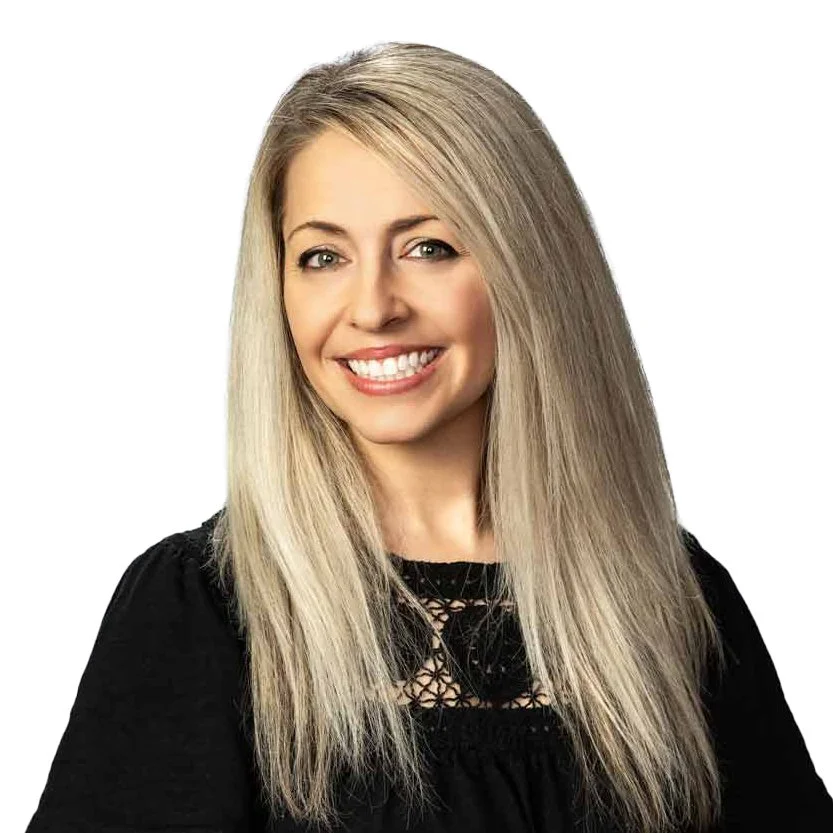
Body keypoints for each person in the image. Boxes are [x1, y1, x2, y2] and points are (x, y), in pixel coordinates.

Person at [26, 42, 832, 833]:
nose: (372, 305)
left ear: (530, 265)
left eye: (428, 247)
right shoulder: (204, 606)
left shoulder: (670, 596)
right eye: (320, 256)